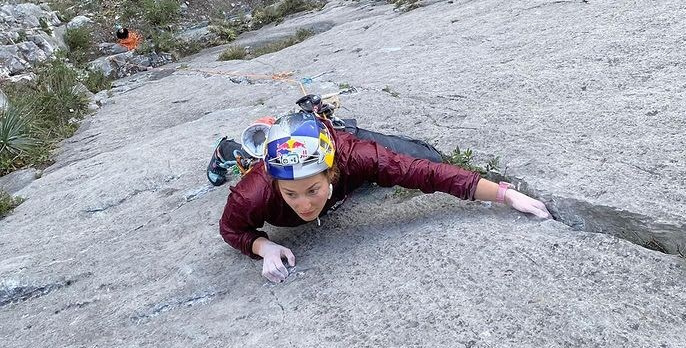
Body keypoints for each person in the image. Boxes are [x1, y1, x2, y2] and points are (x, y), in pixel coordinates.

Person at [219, 111, 552, 282]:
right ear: (275, 185)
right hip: (322, 168)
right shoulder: (256, 191)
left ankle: (334, 122)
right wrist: (263, 246)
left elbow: (428, 174)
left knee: (424, 158)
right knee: (247, 163)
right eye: (290, 193)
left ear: (331, 174)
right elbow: (231, 229)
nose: (303, 204)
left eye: (313, 190)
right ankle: (230, 150)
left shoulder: (358, 158)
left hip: (348, 148)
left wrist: (504, 195)